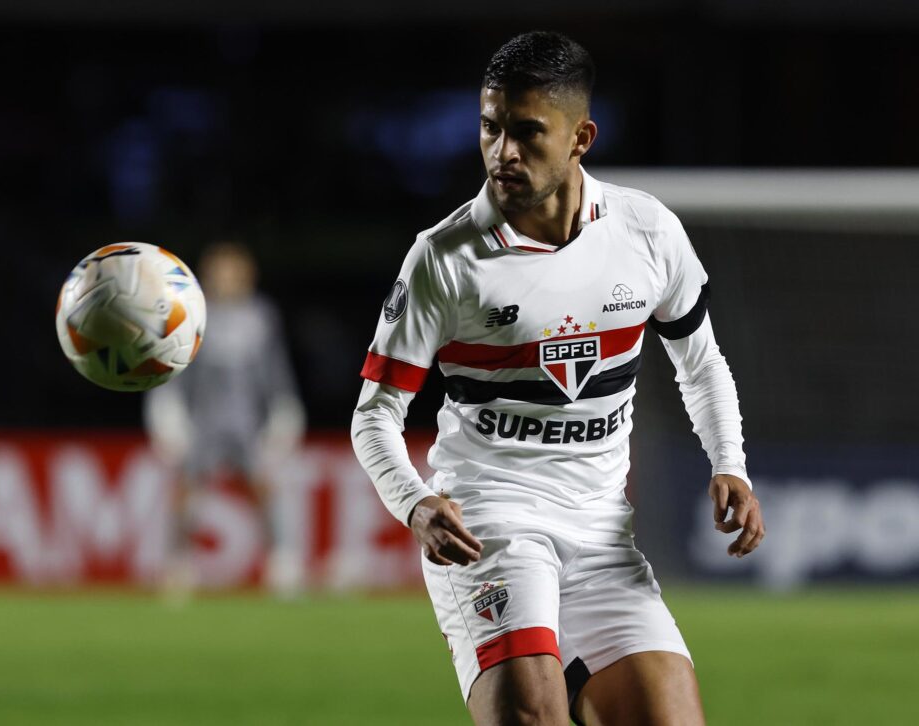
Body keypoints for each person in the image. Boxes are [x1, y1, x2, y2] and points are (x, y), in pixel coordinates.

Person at [351, 31, 764, 726]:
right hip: (491, 524)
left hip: (603, 537)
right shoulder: (444, 258)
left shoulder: (647, 232)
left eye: (526, 132)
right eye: (490, 128)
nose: (502, 152)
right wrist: (417, 505)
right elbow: (375, 414)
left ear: (581, 138)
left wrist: (731, 464)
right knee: (533, 713)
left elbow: (701, 362)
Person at [145, 241, 305, 594]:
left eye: (234, 272)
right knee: (187, 488)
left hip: (248, 421)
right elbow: (173, 364)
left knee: (265, 487)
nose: (228, 279)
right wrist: (165, 406)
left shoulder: (262, 315)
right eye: (221, 272)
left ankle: (283, 561)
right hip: (203, 418)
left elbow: (274, 367)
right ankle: (178, 564)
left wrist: (285, 406)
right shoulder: (192, 313)